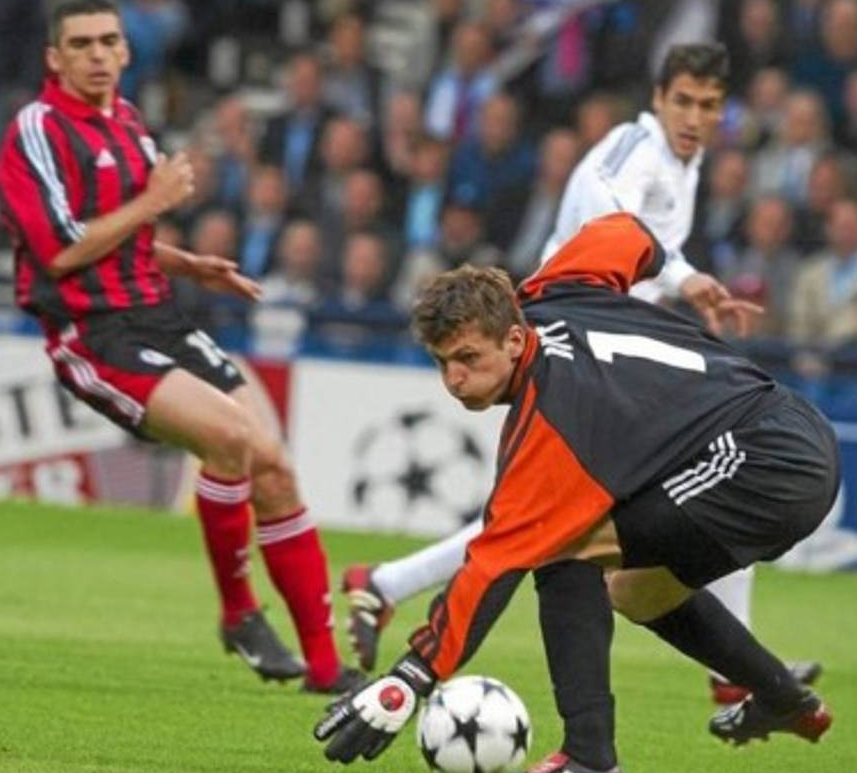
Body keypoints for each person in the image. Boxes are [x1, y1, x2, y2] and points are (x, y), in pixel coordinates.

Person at [342, 42, 820, 705]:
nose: (692, 117)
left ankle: (386, 582)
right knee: (543, 525)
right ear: (657, 100)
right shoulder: (637, 147)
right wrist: (682, 277)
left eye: (708, 106)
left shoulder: (687, 165)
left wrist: (679, 286)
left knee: (649, 485)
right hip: (568, 357)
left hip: (612, 365)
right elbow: (608, 213)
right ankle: (389, 586)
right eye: (681, 100)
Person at [314, 212, 836, 773]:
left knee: (564, 554)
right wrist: (682, 276)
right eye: (442, 364)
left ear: (514, 340)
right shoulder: (552, 287)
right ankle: (784, 698)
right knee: (637, 592)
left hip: (765, 457)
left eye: (467, 358)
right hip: (785, 432)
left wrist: (409, 679)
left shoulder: (548, 426)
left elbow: (490, 566)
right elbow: (626, 232)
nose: (454, 381)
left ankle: (591, 761)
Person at [0, 0, 359, 695]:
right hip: (91, 333)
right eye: (82, 44)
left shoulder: (127, 122)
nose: (98, 55)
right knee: (230, 438)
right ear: (55, 57)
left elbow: (120, 232)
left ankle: (324, 667)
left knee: (274, 461)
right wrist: (155, 203)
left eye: (109, 41)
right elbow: (61, 250)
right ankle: (239, 613)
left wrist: (185, 262)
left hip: (159, 315)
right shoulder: (36, 129)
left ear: (127, 51)